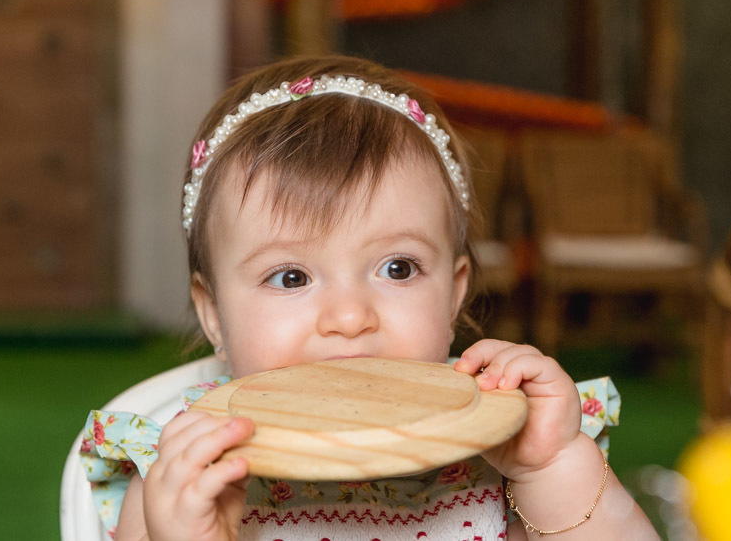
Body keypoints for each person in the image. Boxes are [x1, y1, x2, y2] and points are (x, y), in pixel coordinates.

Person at [82, 55, 657, 540]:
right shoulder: (185, 470)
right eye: (290, 277)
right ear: (214, 312)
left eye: (398, 267)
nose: (350, 317)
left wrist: (552, 466)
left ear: (454, 291)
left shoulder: (504, 438)